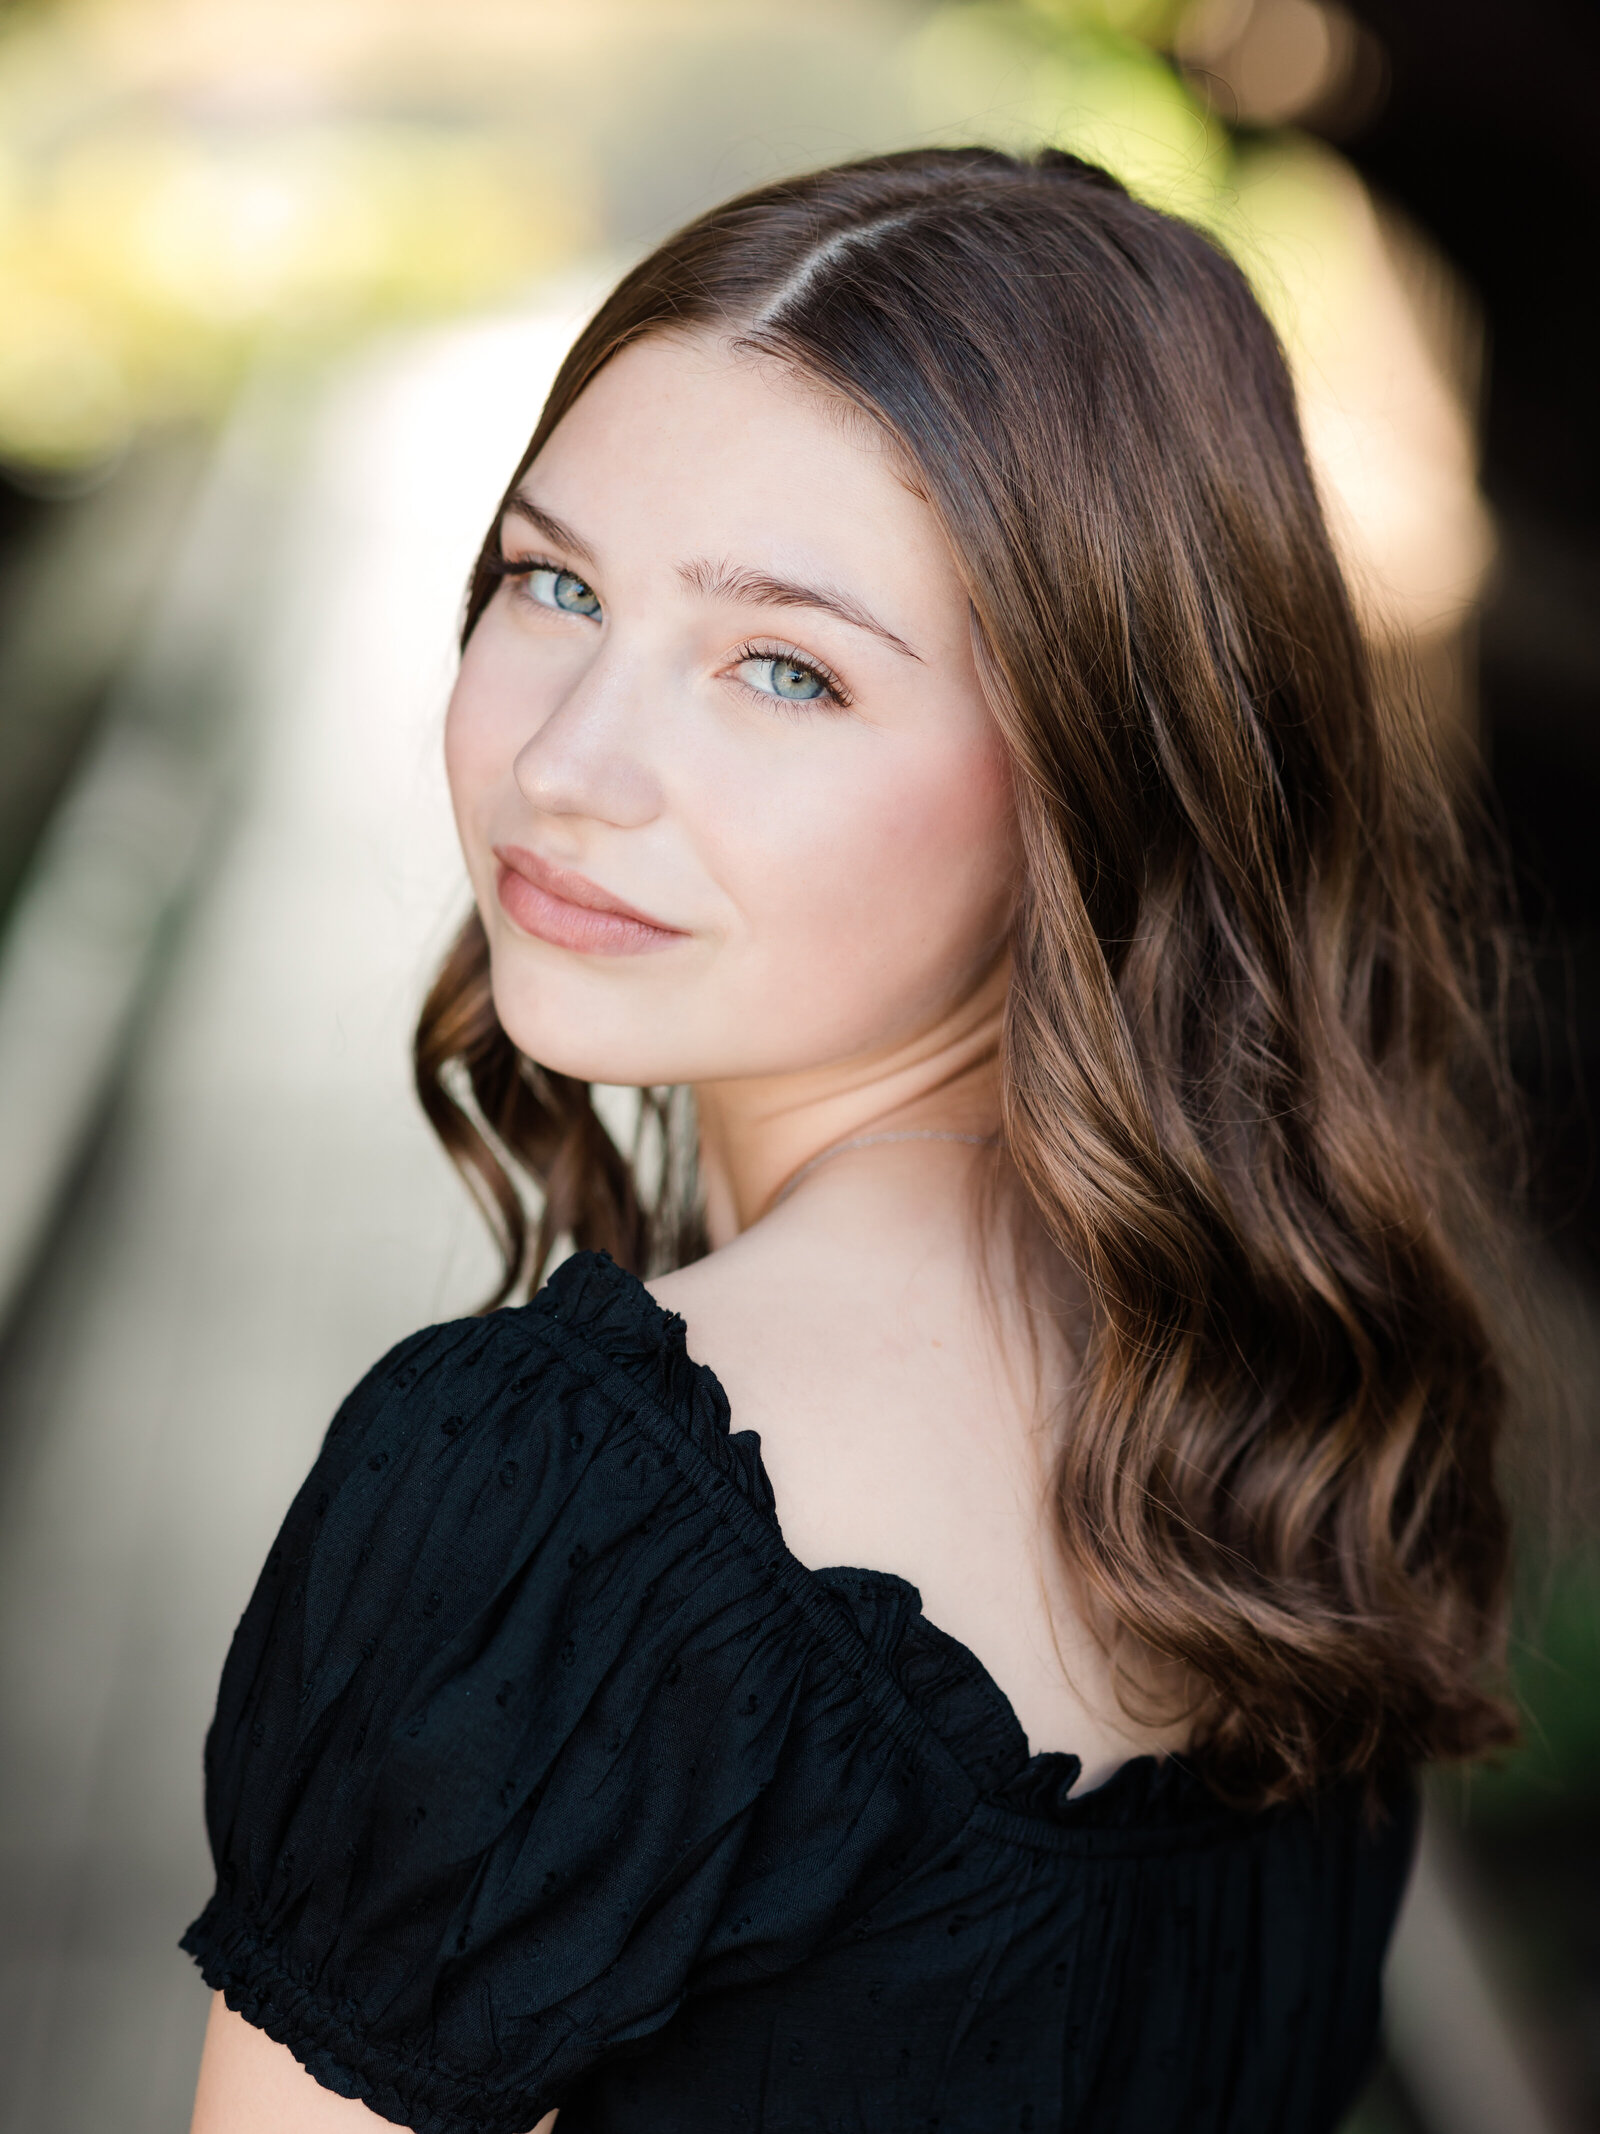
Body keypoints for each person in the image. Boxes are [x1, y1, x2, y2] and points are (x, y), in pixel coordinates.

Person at [182, 146, 1520, 2133]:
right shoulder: (1291, 1425)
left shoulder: (566, 1500)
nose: (566, 762)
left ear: (1095, 770)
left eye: (783, 667)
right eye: (553, 583)